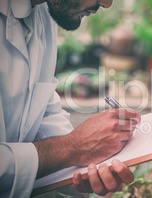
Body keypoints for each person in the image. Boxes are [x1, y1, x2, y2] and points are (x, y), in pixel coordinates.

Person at [0, 0, 141, 197]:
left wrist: (86, 166)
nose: (107, 4)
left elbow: (42, 113)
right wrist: (72, 148)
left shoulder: (42, 14)